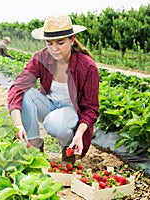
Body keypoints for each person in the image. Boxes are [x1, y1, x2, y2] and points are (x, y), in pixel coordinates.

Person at [7, 16, 99, 162]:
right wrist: (18, 124)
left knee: (52, 122)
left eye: (60, 43)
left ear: (72, 39)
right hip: (49, 105)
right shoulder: (41, 58)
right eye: (49, 43)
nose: (54, 49)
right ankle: (34, 147)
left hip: (72, 112)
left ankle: (68, 147)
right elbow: (17, 87)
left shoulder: (87, 67)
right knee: (24, 92)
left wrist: (79, 134)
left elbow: (91, 109)